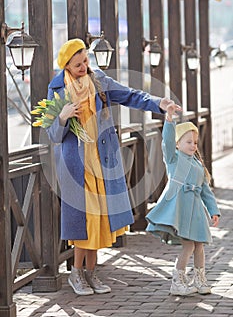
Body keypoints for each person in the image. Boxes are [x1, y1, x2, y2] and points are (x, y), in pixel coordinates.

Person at [46, 38, 178, 296]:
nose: (84, 67)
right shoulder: (57, 91)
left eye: (85, 61)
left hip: (102, 164)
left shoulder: (100, 81)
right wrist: (62, 117)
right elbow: (52, 136)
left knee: (98, 223)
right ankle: (76, 275)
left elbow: (131, 95)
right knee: (82, 226)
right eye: (77, 65)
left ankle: (91, 275)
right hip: (76, 168)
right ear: (67, 67)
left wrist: (159, 103)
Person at [146, 102, 220, 296]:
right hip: (181, 209)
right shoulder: (173, 159)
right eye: (188, 142)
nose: (193, 145)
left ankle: (200, 279)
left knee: (199, 246)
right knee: (188, 246)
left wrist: (213, 210)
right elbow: (166, 142)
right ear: (178, 144)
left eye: (195, 142)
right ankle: (177, 280)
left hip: (196, 211)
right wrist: (169, 120)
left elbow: (206, 191)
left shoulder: (198, 166)